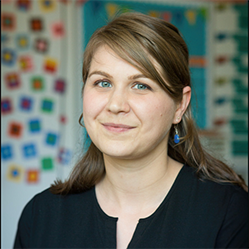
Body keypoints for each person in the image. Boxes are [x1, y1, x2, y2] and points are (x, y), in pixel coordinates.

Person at [14, 12, 248, 249]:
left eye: (140, 85)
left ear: (180, 105)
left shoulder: (229, 213)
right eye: (103, 83)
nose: (116, 105)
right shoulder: (40, 216)